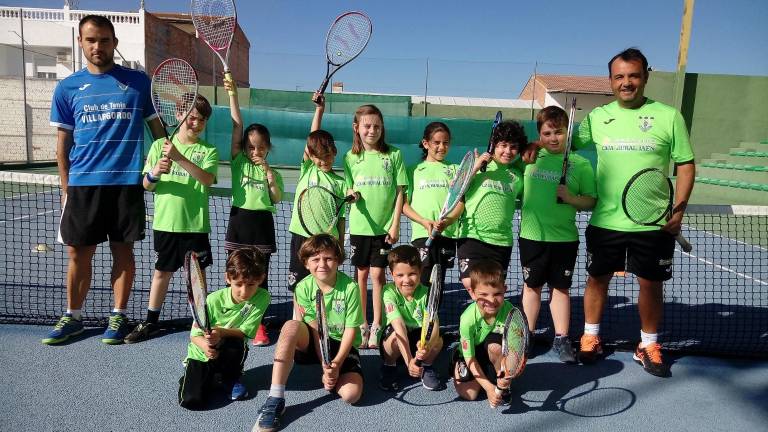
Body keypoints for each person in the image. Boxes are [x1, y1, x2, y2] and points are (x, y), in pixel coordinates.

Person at [43, 14, 165, 345]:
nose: (98, 46)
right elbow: (63, 143)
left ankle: (119, 316)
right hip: (83, 184)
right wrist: (65, 185)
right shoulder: (67, 87)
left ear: (115, 43)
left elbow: (158, 133)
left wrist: (165, 156)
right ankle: (73, 317)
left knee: (123, 252)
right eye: (91, 40)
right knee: (77, 254)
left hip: (126, 183)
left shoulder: (139, 82)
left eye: (104, 40)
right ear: (81, 43)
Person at [574, 48, 695, 377]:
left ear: (645, 76)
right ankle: (590, 337)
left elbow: (686, 165)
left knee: (650, 284)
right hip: (605, 220)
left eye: (633, 75)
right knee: (597, 280)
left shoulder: (669, 116)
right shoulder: (597, 118)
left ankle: (648, 343)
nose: (626, 82)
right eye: (619, 77)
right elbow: (560, 144)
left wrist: (679, 211)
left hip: (653, 223)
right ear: (610, 80)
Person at [123, 95, 219, 343]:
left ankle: (201, 321)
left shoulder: (207, 151)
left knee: (198, 277)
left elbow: (207, 180)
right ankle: (150, 322)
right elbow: (146, 185)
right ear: (179, 115)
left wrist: (178, 158)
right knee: (161, 273)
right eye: (190, 117)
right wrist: (155, 172)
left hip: (195, 226)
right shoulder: (158, 147)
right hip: (166, 224)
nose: (195, 123)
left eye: (201, 120)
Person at [254, 234, 364, 432]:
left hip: (341, 344)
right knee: (290, 327)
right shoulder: (302, 288)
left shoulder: (350, 288)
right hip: (314, 340)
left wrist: (336, 364)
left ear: (338, 260)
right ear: (306, 263)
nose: (322, 264)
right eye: (315, 259)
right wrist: (324, 363)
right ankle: (275, 397)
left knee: (351, 395)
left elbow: (350, 331)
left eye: (328, 258)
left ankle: (334, 377)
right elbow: (315, 329)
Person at [519, 106, 596, 363]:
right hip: (531, 236)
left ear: (568, 132)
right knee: (532, 287)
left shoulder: (581, 164)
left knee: (560, 289)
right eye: (547, 133)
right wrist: (531, 145)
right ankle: (526, 336)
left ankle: (561, 339)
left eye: (559, 132)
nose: (553, 138)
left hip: (564, 239)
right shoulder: (529, 157)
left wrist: (571, 198)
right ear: (539, 134)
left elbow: (591, 201)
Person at [222, 77, 284, 346]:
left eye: (260, 146)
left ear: (268, 147)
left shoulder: (273, 172)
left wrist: (269, 174)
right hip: (240, 220)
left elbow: (276, 197)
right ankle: (230, 320)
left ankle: (257, 324)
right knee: (236, 273)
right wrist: (233, 95)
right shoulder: (239, 162)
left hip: (262, 223)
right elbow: (237, 126)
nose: (254, 150)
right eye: (250, 146)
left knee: (260, 276)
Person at [343, 105, 408, 349]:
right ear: (356, 128)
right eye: (367, 126)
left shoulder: (394, 155)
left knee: (378, 275)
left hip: (384, 230)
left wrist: (395, 224)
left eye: (377, 126)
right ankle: (362, 324)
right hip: (359, 228)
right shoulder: (349, 157)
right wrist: (351, 193)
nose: (372, 130)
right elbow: (349, 187)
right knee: (360, 275)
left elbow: (400, 191)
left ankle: (378, 325)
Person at [286, 92, 354, 314]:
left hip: (327, 241)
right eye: (318, 157)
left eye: (327, 156)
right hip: (301, 235)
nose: (323, 161)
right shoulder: (308, 169)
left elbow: (342, 219)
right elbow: (312, 136)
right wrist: (319, 110)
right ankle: (298, 323)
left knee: (325, 284)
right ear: (311, 156)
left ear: (334, 153)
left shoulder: (340, 183)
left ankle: (324, 325)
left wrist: (341, 244)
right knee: (299, 286)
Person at [178, 247, 270, 408]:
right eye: (239, 284)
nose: (244, 291)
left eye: (251, 284)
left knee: (235, 342)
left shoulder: (263, 298)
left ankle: (230, 379)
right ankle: (194, 377)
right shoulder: (213, 300)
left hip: (229, 347)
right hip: (200, 353)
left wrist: (220, 332)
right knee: (191, 401)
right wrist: (206, 346)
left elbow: (245, 333)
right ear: (228, 278)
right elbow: (194, 336)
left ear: (261, 279)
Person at [456, 121, 527, 295]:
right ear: (494, 145)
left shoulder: (517, 177)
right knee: (470, 283)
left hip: (501, 242)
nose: (508, 151)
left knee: (493, 291)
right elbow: (456, 188)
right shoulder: (479, 166)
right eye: (503, 145)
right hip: (472, 236)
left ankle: (489, 321)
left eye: (513, 147)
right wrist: (475, 167)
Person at [452, 260, 518, 408]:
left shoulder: (510, 312)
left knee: (495, 347)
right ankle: (458, 362)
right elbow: (470, 358)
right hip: (471, 354)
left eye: (497, 294)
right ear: (472, 293)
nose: (491, 300)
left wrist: (506, 375)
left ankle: (501, 384)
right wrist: (489, 388)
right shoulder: (467, 319)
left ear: (505, 290)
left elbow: (514, 351)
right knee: (469, 394)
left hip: (494, 351)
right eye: (483, 294)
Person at [379, 245, 443, 391]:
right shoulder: (388, 291)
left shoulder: (427, 294)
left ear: (420, 271)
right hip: (396, 340)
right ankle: (390, 366)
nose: (406, 280)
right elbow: (399, 326)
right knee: (395, 335)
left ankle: (426, 365)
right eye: (400, 275)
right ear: (391, 274)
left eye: (412, 274)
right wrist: (409, 361)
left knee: (438, 340)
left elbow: (433, 326)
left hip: (418, 340)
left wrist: (425, 347)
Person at [403, 122, 459, 287]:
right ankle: (420, 314)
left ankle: (434, 314)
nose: (442, 147)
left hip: (446, 234)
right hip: (422, 234)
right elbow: (404, 205)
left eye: (446, 142)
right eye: (437, 142)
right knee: (422, 279)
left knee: (438, 282)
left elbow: (460, 203)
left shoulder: (455, 170)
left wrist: (447, 222)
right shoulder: (413, 170)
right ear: (426, 143)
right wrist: (423, 221)